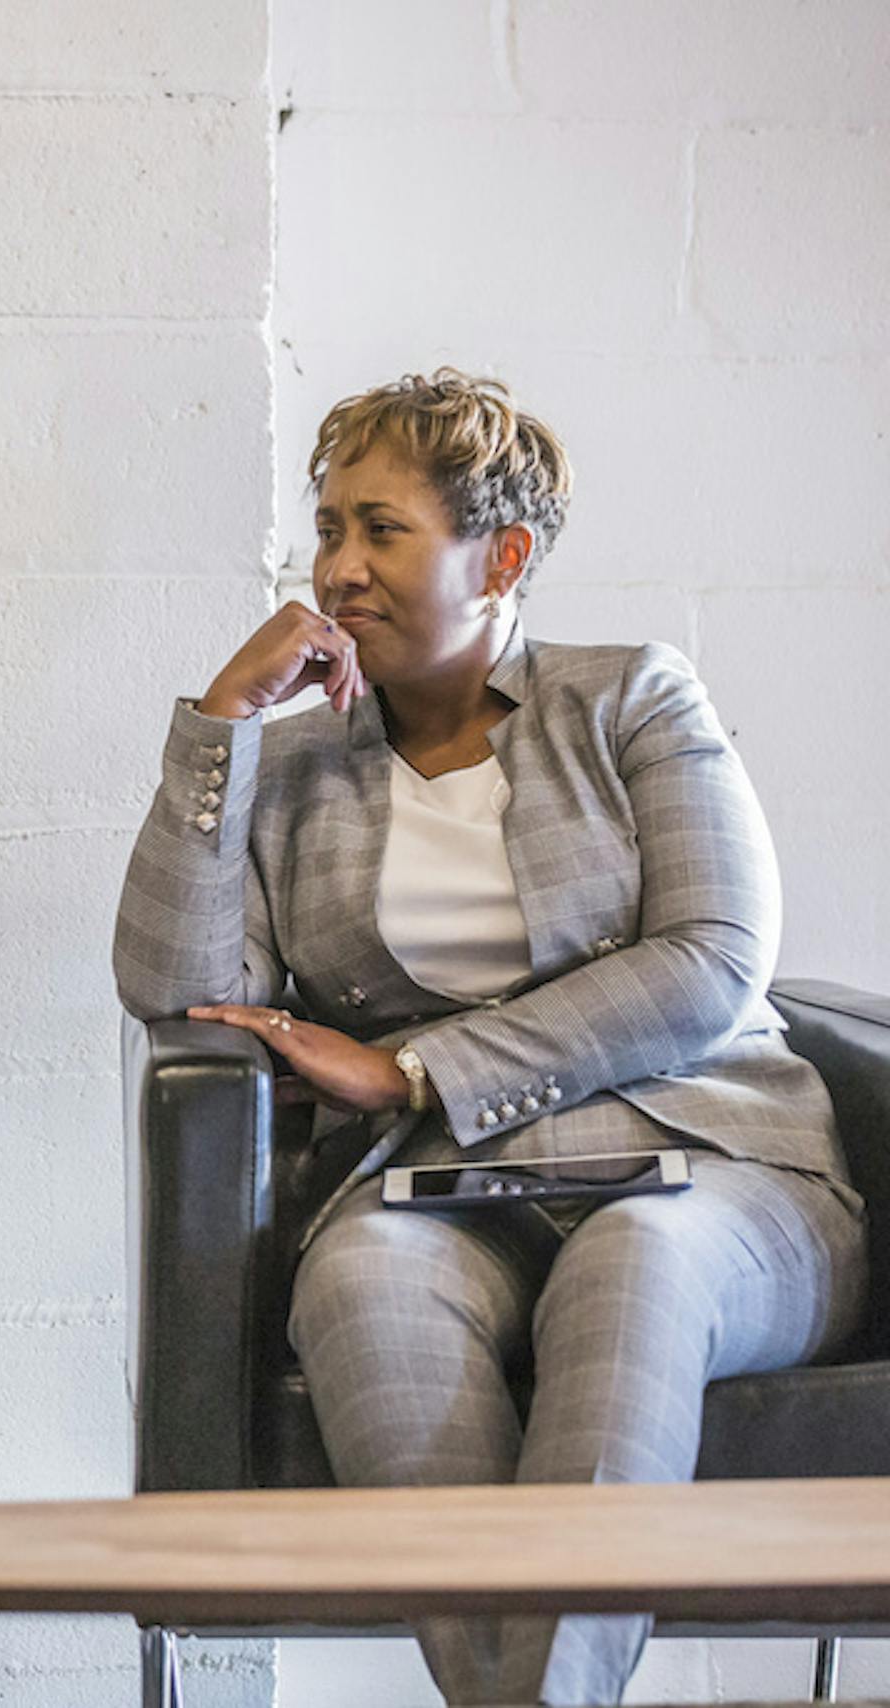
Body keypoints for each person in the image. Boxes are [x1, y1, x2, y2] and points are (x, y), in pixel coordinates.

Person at [114, 370, 865, 1706]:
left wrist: (416, 1069)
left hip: (713, 1168)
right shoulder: (295, 767)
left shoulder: (631, 700)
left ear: (501, 554)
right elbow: (177, 991)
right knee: (355, 1287)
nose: (338, 569)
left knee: (637, 1260)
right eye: (329, 528)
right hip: (432, 1198)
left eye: (381, 531)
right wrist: (221, 730)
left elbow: (712, 963)